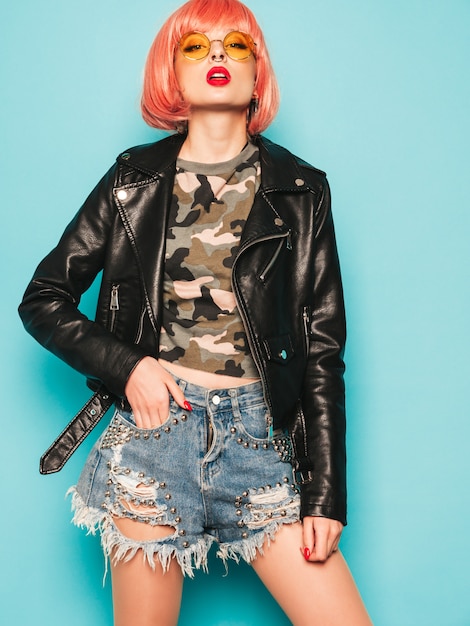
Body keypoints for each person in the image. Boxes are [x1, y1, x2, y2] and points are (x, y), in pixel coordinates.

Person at [19, 0, 373, 624]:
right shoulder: (133, 178)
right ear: (171, 72)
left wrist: (324, 494)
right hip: (152, 439)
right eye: (195, 45)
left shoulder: (301, 188)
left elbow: (323, 349)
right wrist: (127, 365)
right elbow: (44, 298)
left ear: (257, 71)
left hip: (261, 439)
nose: (216, 55)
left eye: (236, 45)